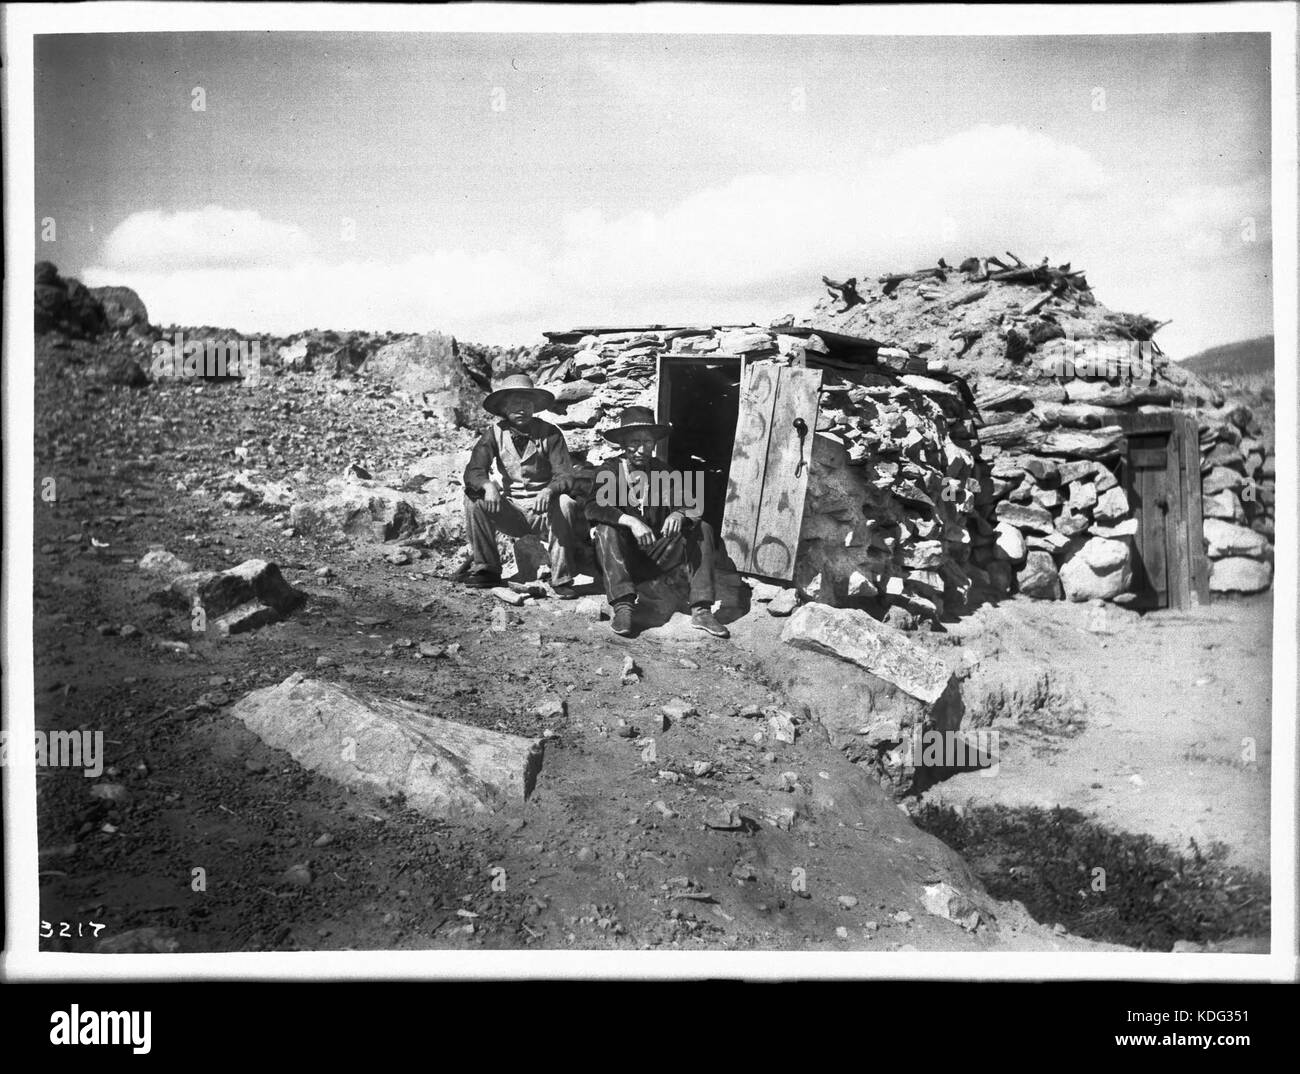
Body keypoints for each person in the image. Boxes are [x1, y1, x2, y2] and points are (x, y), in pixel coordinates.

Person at [584, 406, 729, 638]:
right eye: (634, 441)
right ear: (622, 443)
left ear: (654, 444)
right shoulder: (610, 470)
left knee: (702, 528)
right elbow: (593, 506)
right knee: (604, 529)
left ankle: (701, 609)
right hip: (623, 557)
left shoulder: (663, 471)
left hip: (658, 553)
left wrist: (679, 514)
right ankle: (623, 606)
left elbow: (692, 505)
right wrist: (630, 520)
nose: (641, 449)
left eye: (647, 442)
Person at [460, 373, 581, 598]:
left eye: (526, 402)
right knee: (473, 498)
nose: (521, 408)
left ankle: (561, 577)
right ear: (504, 408)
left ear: (534, 406)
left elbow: (566, 475)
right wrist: (488, 486)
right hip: (511, 512)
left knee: (566, 502)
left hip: (543, 512)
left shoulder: (550, 433)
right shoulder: (494, 433)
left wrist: (550, 490)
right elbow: (474, 470)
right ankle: (487, 569)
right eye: (514, 403)